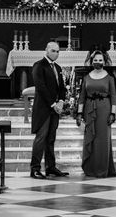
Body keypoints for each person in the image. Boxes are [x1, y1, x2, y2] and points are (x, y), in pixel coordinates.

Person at [76, 49, 116, 177]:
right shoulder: (86, 77)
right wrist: (79, 114)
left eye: (100, 60)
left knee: (102, 140)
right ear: (91, 61)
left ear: (104, 62)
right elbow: (82, 97)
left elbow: (114, 97)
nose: (98, 62)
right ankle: (90, 168)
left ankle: (102, 169)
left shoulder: (110, 78)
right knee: (91, 138)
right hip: (89, 110)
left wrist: (113, 113)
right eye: (95, 60)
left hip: (104, 110)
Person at [30, 42, 69, 179]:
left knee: (51, 138)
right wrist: (53, 104)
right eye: (53, 51)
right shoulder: (39, 66)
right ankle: (34, 168)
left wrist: (61, 101)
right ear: (46, 50)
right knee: (41, 138)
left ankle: (50, 167)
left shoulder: (57, 67)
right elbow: (41, 87)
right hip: (43, 108)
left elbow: (62, 87)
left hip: (54, 109)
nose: (56, 53)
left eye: (58, 51)